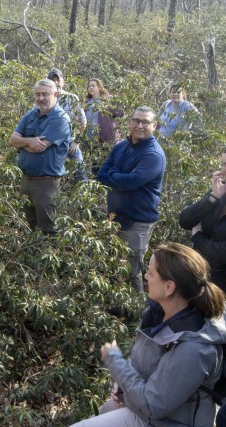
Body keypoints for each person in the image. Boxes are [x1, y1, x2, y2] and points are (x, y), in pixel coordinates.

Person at [70, 242, 226, 427]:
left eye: (151, 273)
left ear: (169, 287)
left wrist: (117, 364)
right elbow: (143, 363)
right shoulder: (157, 314)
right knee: (104, 411)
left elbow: (152, 405)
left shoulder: (194, 349)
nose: (145, 276)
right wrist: (122, 386)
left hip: (165, 420)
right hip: (145, 407)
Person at [98, 106, 166, 292]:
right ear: (129, 122)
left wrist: (115, 175)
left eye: (146, 122)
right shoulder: (121, 146)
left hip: (138, 222)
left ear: (154, 126)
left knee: (131, 270)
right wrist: (118, 176)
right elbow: (101, 174)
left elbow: (130, 182)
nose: (140, 125)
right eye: (136, 120)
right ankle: (115, 310)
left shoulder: (153, 154)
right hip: (115, 218)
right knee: (113, 265)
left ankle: (135, 314)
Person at [8, 78, 71, 233]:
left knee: (47, 229)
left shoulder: (61, 119)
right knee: (31, 226)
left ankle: (49, 254)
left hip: (46, 183)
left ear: (55, 94)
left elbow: (39, 148)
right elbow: (12, 140)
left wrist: (22, 145)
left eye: (45, 94)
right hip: (26, 179)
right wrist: (29, 141)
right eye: (37, 95)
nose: (41, 98)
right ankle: (33, 255)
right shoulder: (31, 114)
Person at [179, 147, 226, 291]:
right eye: (223, 164)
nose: (223, 170)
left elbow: (222, 254)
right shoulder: (221, 192)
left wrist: (199, 237)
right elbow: (186, 221)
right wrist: (212, 197)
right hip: (200, 274)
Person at [48, 68, 88, 183]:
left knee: (80, 171)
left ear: (62, 81)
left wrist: (77, 142)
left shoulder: (72, 98)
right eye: (53, 79)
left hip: (70, 142)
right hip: (50, 143)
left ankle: (83, 197)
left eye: (58, 79)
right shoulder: (45, 98)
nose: (55, 82)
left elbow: (83, 122)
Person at [84, 78, 124, 148]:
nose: (90, 87)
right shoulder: (86, 102)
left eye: (93, 86)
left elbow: (121, 113)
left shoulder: (109, 99)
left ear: (99, 87)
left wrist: (108, 106)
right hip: (90, 140)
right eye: (89, 86)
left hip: (107, 140)